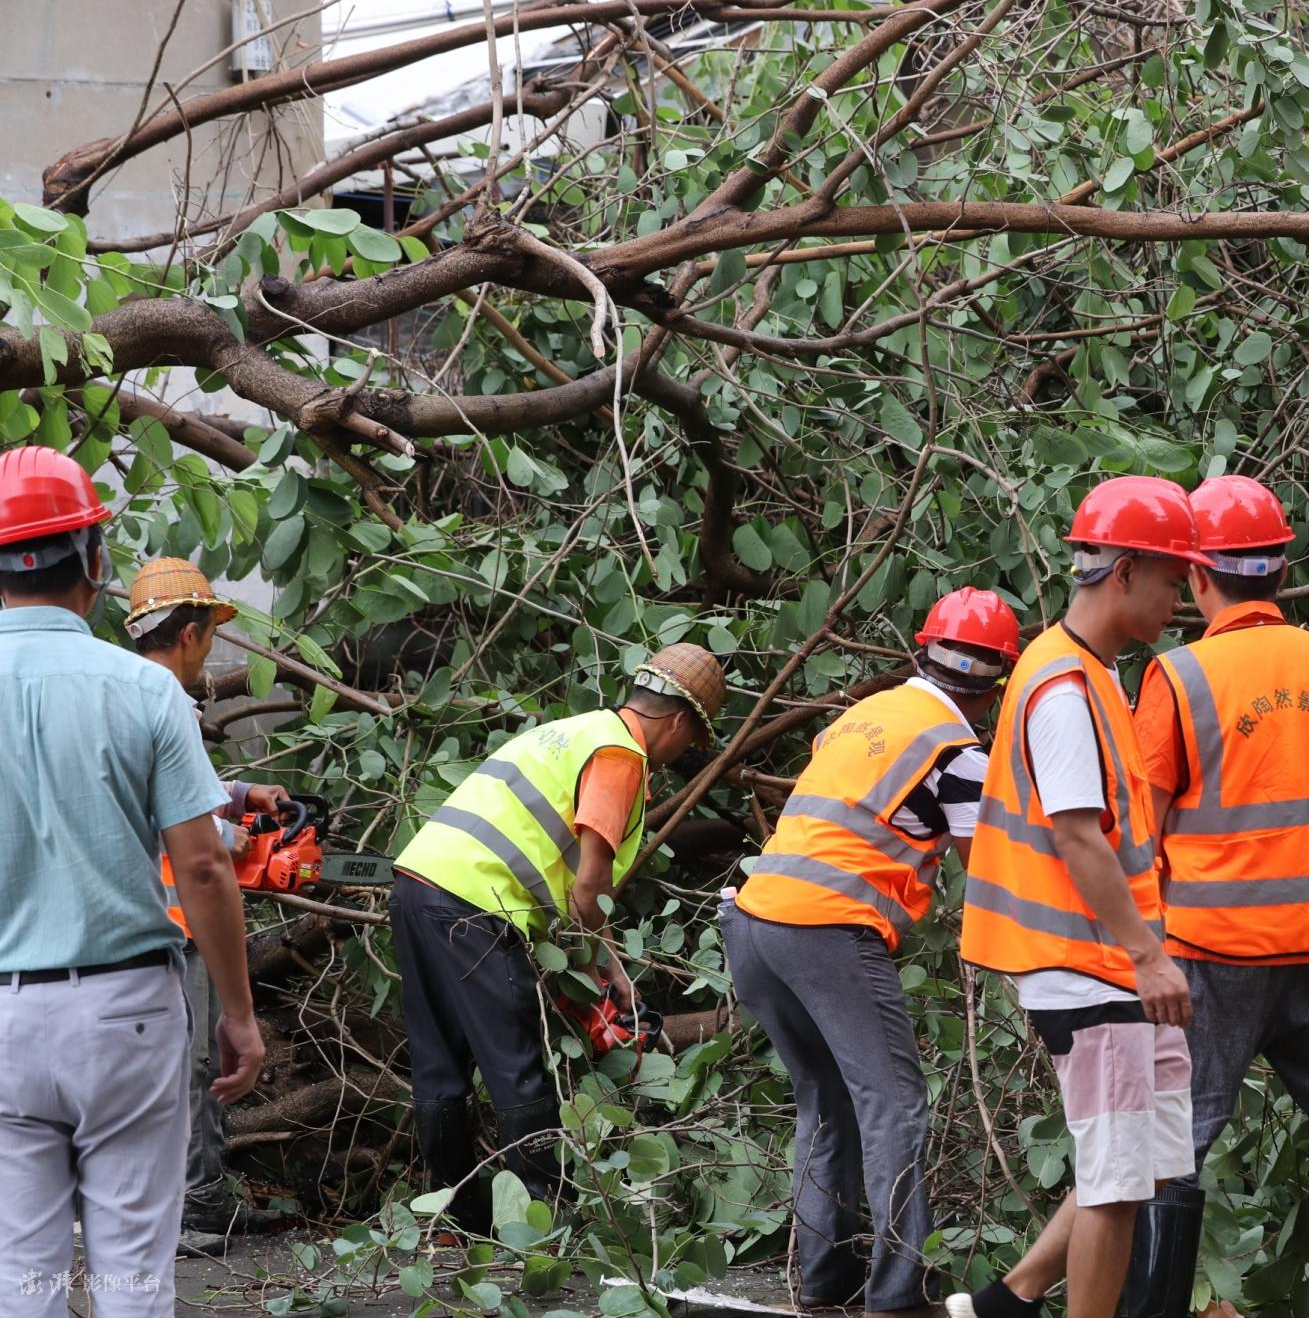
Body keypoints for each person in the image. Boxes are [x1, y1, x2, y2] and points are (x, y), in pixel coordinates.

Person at [1124, 475, 1309, 1318]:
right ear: (1283, 571)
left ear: (1196, 575)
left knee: (1176, 1144)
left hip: (1211, 957)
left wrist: (1140, 947)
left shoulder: (1179, 679)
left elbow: (1139, 832)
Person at [0, 446, 265, 1318]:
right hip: (126, 1013)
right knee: (132, 1277)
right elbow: (203, 863)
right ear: (95, 560)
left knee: (20, 1276)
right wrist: (237, 1013)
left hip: (3, 1019)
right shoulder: (145, 690)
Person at [950, 477, 1211, 1318]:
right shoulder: (1064, 687)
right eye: (1172, 580)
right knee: (1116, 1179)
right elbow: (1077, 836)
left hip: (1110, 964)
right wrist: (1147, 955)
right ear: (1124, 571)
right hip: (1089, 965)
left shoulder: (1091, 673)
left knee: (1147, 1163)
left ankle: (1009, 1301)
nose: (1180, 599)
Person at [726, 588, 1023, 1317]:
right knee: (893, 1105)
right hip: (827, 929)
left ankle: (824, 1280)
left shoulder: (862, 717)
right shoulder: (957, 754)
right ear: (997, 684)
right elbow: (995, 871)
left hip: (752, 920)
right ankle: (898, 1294)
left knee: (826, 1102)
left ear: (922, 653)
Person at [387, 642, 726, 1233]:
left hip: (419, 886)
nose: (683, 753)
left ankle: (458, 1221)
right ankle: (544, 1224)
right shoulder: (620, 756)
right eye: (691, 740)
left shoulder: (578, 731)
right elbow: (589, 885)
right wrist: (604, 975)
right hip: (475, 905)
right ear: (678, 723)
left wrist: (599, 965)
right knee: (516, 1068)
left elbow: (570, 886)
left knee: (439, 1067)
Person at [125, 557, 294, 1249]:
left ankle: (205, 1193)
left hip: (155, 918)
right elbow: (164, 813)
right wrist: (231, 835)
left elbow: (177, 785)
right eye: (211, 632)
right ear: (191, 633)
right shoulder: (162, 702)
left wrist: (245, 793)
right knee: (193, 1063)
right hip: (172, 915)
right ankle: (194, 1204)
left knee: (193, 1061)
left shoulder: (130, 696)